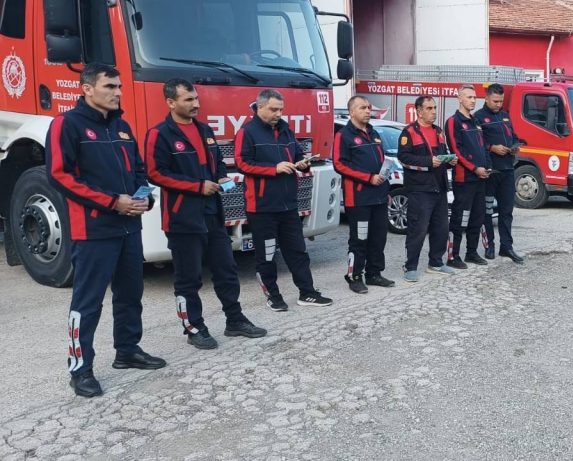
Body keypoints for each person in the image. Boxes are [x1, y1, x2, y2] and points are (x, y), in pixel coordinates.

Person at [46, 63, 166, 398]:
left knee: (130, 294)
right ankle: (80, 369)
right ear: (86, 88)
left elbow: (139, 170)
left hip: (129, 227)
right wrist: (113, 202)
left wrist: (144, 198)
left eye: (119, 87)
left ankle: (127, 351)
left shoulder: (122, 127)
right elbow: (60, 175)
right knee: (88, 302)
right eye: (110, 86)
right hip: (94, 229)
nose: (117, 93)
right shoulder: (66, 124)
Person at [145, 79, 267, 350]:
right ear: (171, 102)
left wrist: (222, 177)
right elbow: (155, 173)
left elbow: (217, 163)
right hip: (182, 218)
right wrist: (197, 186)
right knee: (188, 279)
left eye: (196, 98)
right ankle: (194, 328)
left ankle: (235, 320)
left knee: (227, 270)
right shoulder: (159, 134)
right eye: (188, 100)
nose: (196, 104)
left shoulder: (205, 130)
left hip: (212, 213)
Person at [235, 89, 333, 311]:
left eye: (281, 109)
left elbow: (297, 155)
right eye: (274, 109)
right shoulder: (247, 132)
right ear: (260, 107)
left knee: (298, 251)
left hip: (288, 205)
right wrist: (273, 169)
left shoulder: (286, 130)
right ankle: (273, 296)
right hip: (262, 207)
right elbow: (241, 163)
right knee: (267, 254)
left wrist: (304, 163)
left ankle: (307, 293)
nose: (278, 114)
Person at [333, 96, 395, 293]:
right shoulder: (344, 135)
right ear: (352, 112)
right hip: (358, 199)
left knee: (379, 238)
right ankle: (355, 276)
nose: (368, 111)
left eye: (368, 108)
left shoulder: (373, 133)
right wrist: (368, 178)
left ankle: (374, 273)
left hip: (379, 196)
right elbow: (339, 165)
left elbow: (381, 163)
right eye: (362, 108)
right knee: (360, 239)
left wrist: (386, 188)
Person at [398, 96, 459, 281]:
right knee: (418, 229)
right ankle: (410, 267)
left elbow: (442, 154)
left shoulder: (439, 131)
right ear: (419, 111)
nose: (433, 112)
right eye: (429, 108)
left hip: (439, 187)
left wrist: (450, 161)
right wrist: (428, 161)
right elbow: (404, 158)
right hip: (420, 189)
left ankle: (436, 263)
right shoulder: (409, 132)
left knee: (441, 228)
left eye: (434, 108)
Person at [474, 83, 524, 264]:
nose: (498, 104)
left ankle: (506, 247)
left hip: (507, 170)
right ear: (487, 98)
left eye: (501, 101)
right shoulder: (478, 117)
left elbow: (514, 136)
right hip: (490, 172)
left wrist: (515, 145)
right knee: (487, 211)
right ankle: (490, 246)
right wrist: (492, 148)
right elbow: (476, 144)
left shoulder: (505, 116)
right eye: (495, 101)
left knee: (506, 211)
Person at [445, 85, 491, 269]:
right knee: (460, 218)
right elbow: (456, 150)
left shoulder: (476, 121)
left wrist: (487, 167)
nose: (473, 100)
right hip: (464, 179)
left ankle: (471, 252)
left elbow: (483, 147)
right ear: (460, 99)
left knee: (477, 217)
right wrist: (474, 168)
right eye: (469, 97)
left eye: (474, 97)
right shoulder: (453, 121)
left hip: (480, 178)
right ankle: (453, 256)